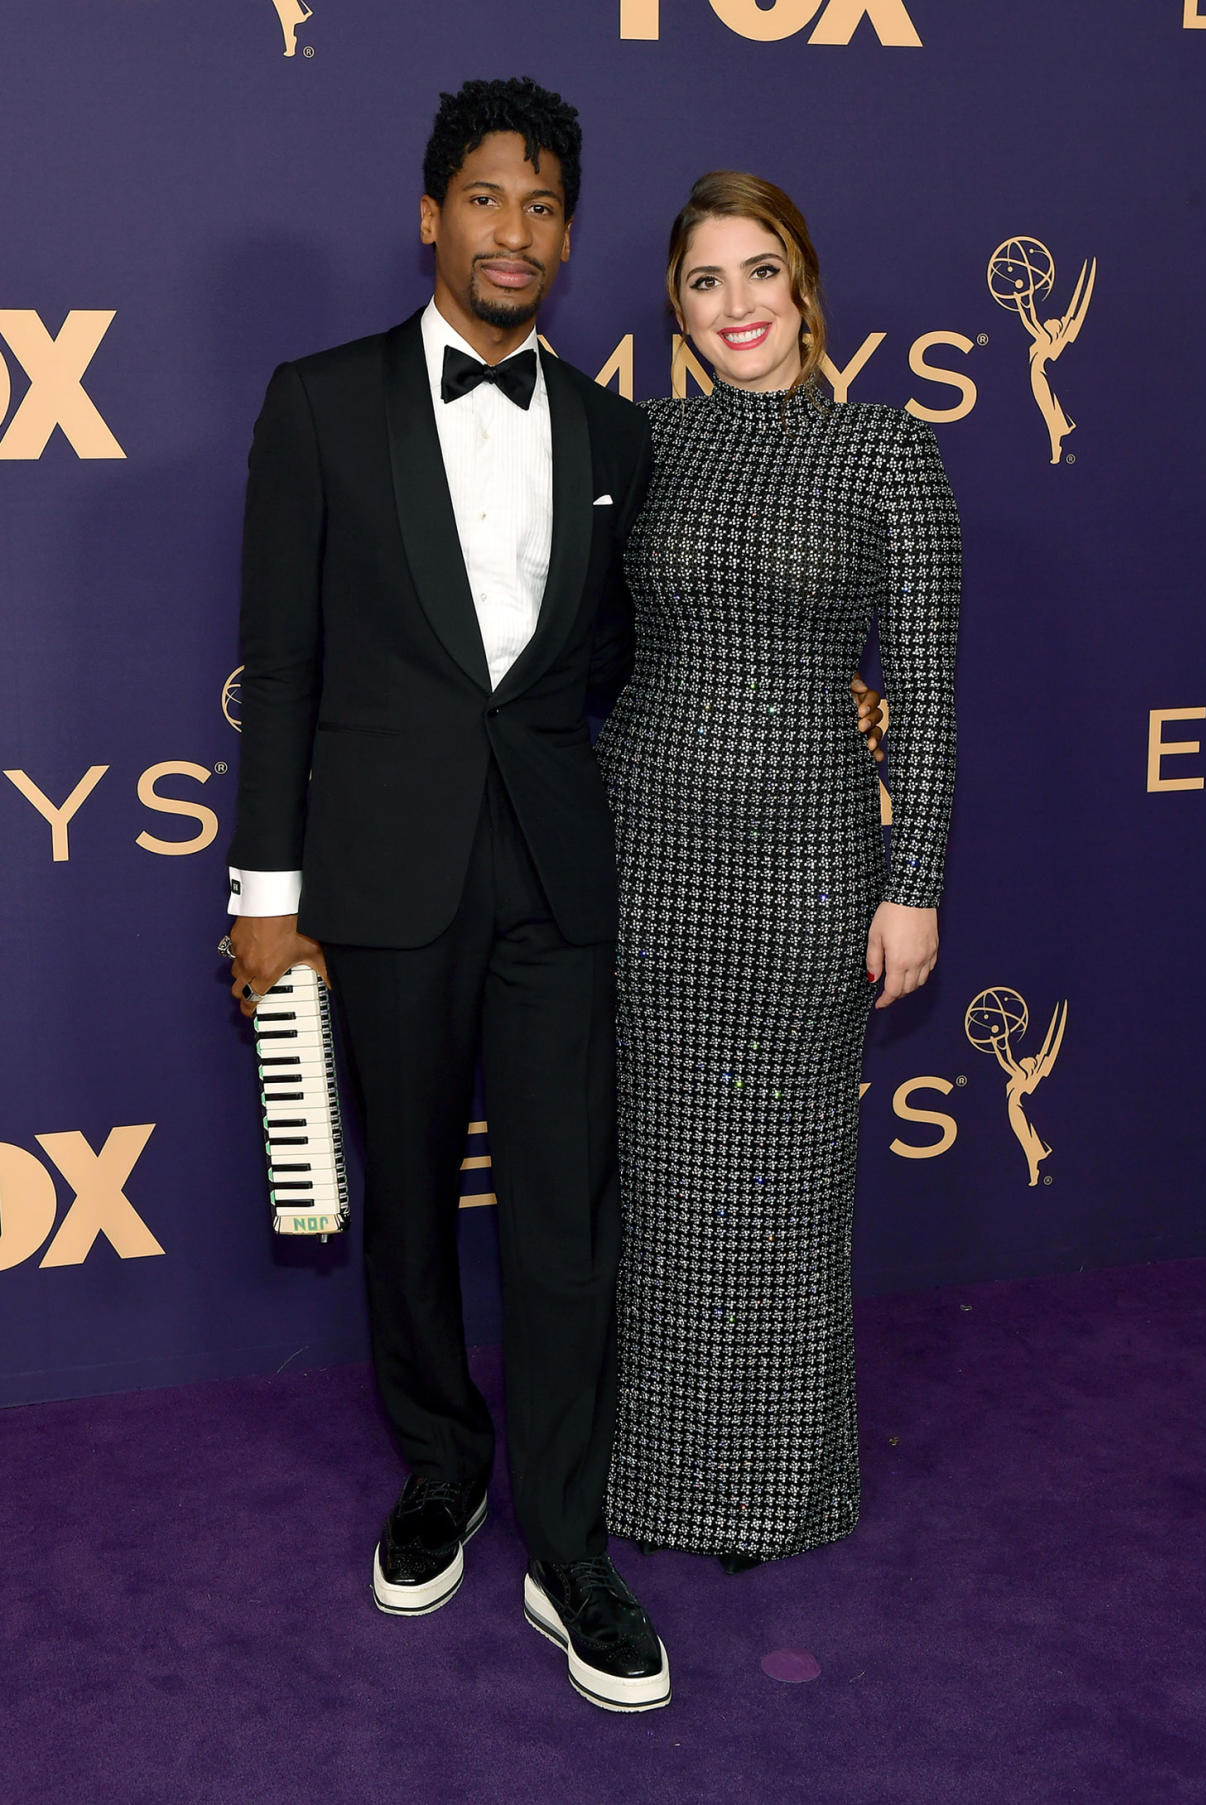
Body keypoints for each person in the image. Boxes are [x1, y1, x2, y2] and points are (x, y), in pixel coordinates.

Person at [222, 77, 674, 1714]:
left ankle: (568, 1547)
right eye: (486, 198)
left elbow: (625, 657)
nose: (515, 231)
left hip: (558, 871)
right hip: (385, 870)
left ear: (567, 232)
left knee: (566, 1217)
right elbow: (280, 669)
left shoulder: (618, 431)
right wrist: (266, 893)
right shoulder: (321, 402)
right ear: (433, 215)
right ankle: (440, 1467)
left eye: (543, 205)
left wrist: (819, 698)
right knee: (406, 1202)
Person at [597, 172, 960, 1572]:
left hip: (814, 860)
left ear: (802, 284)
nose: (734, 305)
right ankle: (649, 1481)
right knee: (664, 1180)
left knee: (788, 1183)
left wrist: (910, 875)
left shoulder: (885, 450)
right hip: (647, 853)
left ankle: (777, 1489)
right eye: (703, 281)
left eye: (759, 272)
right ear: (675, 309)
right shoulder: (642, 443)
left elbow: (922, 687)